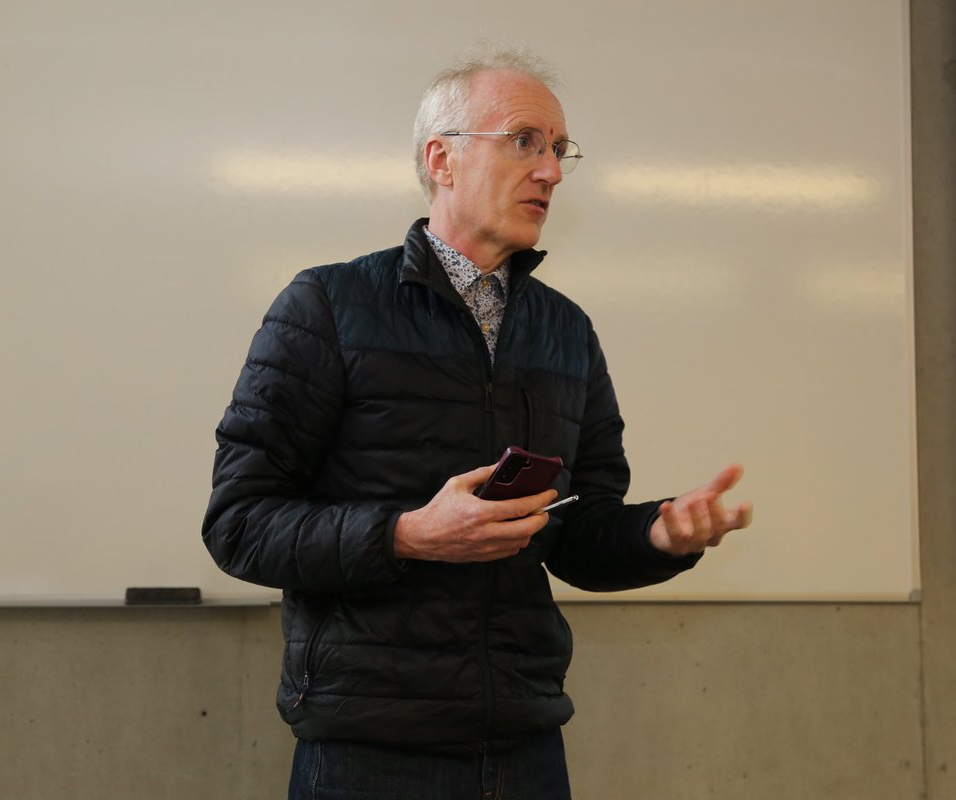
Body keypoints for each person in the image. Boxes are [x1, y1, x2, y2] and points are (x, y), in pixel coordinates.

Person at [202, 46, 752, 800]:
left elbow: (577, 534)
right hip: (370, 745)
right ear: (443, 160)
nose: (552, 170)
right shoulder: (326, 308)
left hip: (524, 740)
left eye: (560, 150)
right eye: (526, 141)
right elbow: (239, 523)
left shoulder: (566, 331)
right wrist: (406, 534)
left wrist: (659, 535)